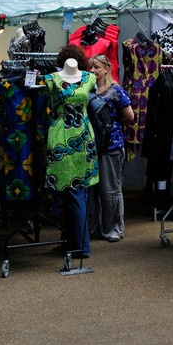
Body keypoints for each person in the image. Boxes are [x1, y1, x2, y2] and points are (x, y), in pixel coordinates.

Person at [43, 44, 97, 258]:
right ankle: (71, 242)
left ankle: (82, 246)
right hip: (65, 139)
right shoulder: (51, 79)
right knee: (71, 194)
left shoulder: (89, 78)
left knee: (77, 193)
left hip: (80, 140)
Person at [87, 53, 134, 243]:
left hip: (111, 146)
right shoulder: (88, 90)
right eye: (90, 67)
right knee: (91, 191)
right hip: (91, 147)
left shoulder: (116, 91)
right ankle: (92, 229)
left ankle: (113, 228)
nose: (92, 71)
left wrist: (111, 125)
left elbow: (129, 116)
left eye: (96, 67)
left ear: (106, 68)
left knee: (110, 190)